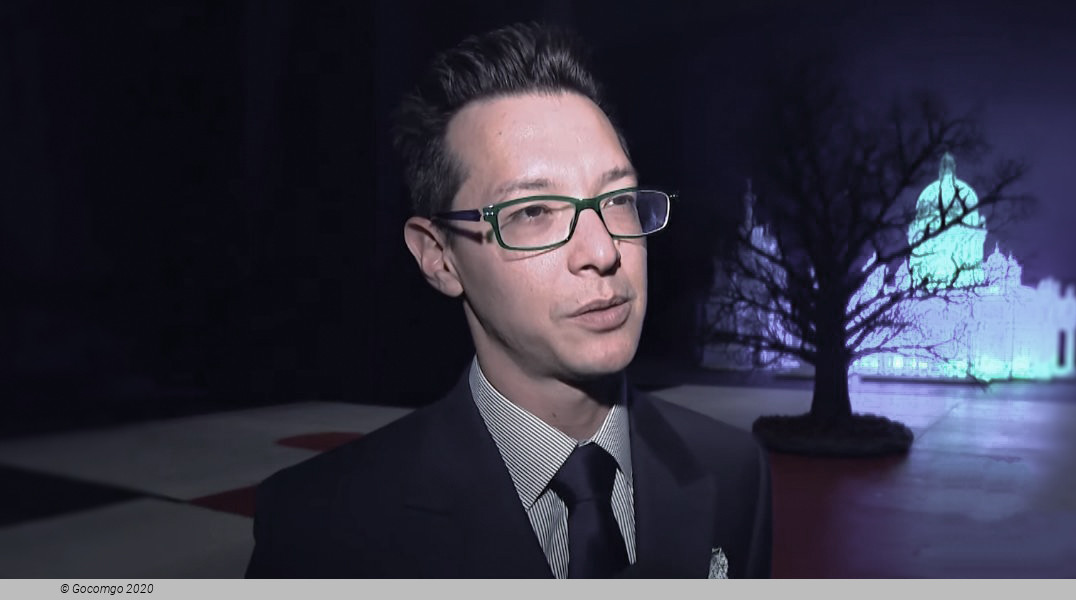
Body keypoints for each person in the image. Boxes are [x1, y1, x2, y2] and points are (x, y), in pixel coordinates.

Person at [245, 22, 772, 579]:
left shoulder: (735, 471)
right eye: (533, 212)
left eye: (617, 200)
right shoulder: (322, 530)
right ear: (439, 257)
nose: (603, 251)